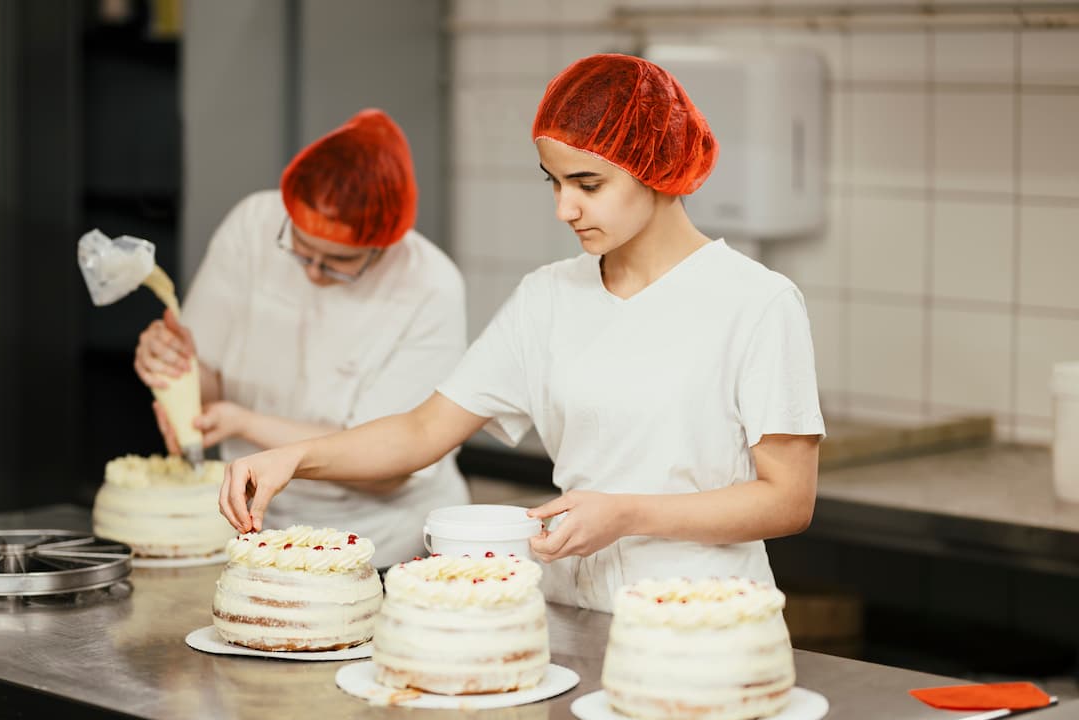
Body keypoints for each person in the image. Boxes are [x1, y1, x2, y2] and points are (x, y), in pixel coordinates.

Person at [217, 55, 824, 611]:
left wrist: (629, 513)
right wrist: (295, 458)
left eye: (588, 185)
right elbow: (421, 430)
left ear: (657, 170)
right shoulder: (548, 297)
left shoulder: (755, 302)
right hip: (566, 612)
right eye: (554, 183)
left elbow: (788, 500)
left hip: (702, 619)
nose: (565, 209)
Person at [134, 109, 470, 567]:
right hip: (254, 527)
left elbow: (389, 467)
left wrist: (242, 422)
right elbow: (206, 377)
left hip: (380, 539)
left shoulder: (430, 286)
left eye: (338, 262)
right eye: (301, 249)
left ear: (384, 245)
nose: (312, 271)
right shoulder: (253, 225)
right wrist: (173, 370)